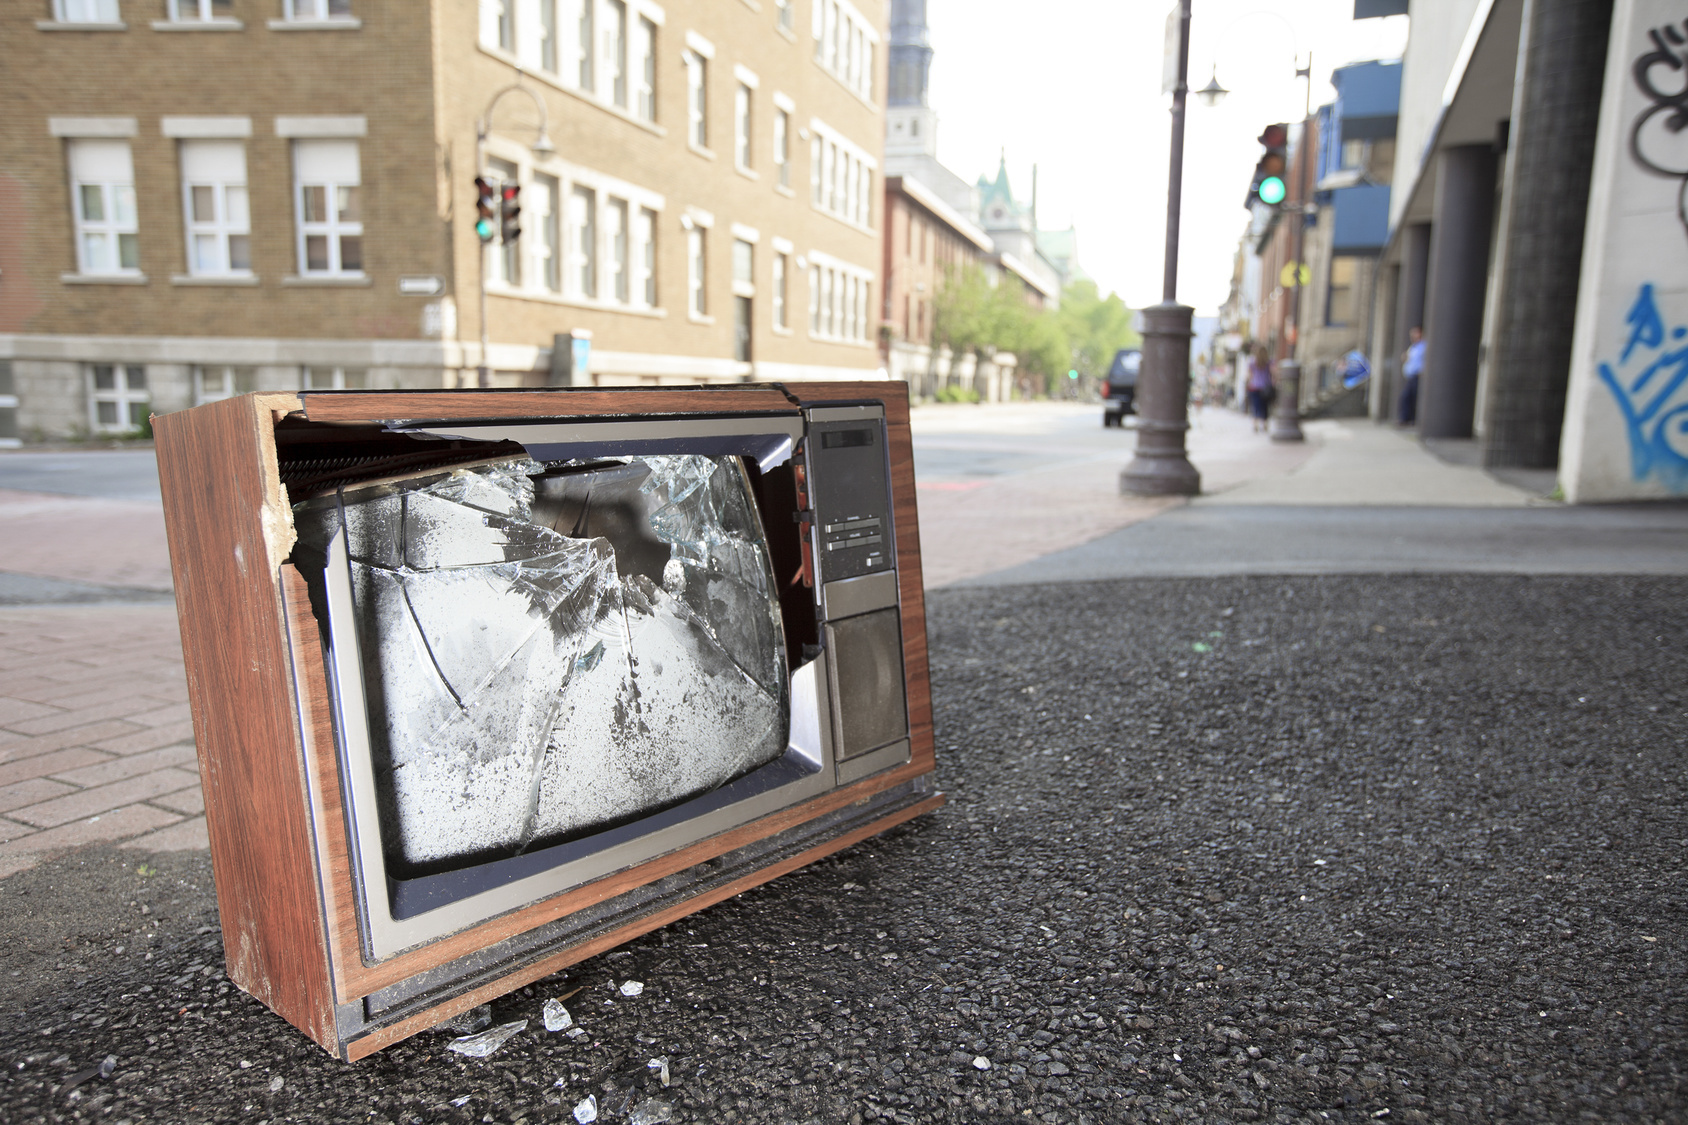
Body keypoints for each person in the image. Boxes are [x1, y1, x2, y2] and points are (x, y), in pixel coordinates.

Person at [1399, 326, 1425, 427]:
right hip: (1410, 377)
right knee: (1407, 397)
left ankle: (1409, 419)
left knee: (1410, 397)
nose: (1412, 336)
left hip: (1417, 376)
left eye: (1415, 333)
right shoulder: (1413, 347)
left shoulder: (1423, 346)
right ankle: (1407, 418)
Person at [1245, 346, 1273, 433]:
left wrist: (1248, 384)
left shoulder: (1252, 363)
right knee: (1264, 407)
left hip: (1254, 387)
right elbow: (1273, 374)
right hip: (1265, 387)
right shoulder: (1268, 363)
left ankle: (1255, 424)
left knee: (1255, 406)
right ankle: (1264, 424)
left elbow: (1249, 376)